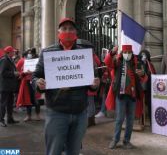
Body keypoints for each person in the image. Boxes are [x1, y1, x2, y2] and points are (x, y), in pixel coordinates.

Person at [32, 18, 100, 155]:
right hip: (57, 112)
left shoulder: (84, 54)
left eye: (71, 28)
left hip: (80, 112)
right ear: (58, 32)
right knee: (54, 151)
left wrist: (94, 85)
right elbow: (35, 76)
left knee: (73, 151)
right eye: (64, 28)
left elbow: (92, 79)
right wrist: (38, 82)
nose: (67, 31)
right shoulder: (47, 52)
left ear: (76, 32)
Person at [105, 45, 147, 149]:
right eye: (125, 52)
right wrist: (111, 53)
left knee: (130, 120)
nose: (127, 54)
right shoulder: (117, 62)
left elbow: (144, 76)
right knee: (119, 119)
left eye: (129, 52)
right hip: (121, 95)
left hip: (132, 95)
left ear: (132, 53)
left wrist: (142, 74)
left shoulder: (136, 63)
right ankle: (115, 140)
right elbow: (107, 63)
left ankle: (126, 141)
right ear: (122, 52)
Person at [16, 49, 41, 121]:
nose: (30, 55)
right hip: (26, 82)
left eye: (31, 53)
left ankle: (38, 115)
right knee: (28, 100)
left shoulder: (37, 61)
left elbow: (40, 71)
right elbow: (20, 73)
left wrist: (34, 72)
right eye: (28, 53)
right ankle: (28, 115)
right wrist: (24, 72)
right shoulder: (24, 61)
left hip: (35, 81)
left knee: (36, 99)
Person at [0, 46, 20, 127]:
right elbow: (2, 73)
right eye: (12, 51)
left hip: (10, 86)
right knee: (3, 104)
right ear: (8, 52)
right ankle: (1, 120)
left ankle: (10, 119)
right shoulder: (4, 60)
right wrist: (14, 73)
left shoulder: (10, 59)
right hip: (5, 86)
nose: (14, 52)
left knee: (10, 103)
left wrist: (16, 74)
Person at [138, 49, 156, 124]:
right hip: (141, 87)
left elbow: (154, 73)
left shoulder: (150, 64)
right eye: (142, 55)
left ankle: (152, 120)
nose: (143, 56)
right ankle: (141, 121)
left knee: (150, 104)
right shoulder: (138, 64)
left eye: (145, 55)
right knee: (140, 104)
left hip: (149, 87)